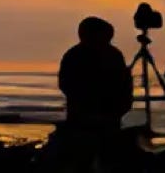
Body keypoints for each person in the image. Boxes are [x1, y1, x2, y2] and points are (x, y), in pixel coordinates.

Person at [54, 17, 130, 171]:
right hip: (91, 118)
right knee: (93, 159)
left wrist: (122, 107)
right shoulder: (111, 54)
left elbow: (65, 84)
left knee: (91, 160)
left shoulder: (74, 55)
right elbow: (125, 84)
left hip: (95, 117)